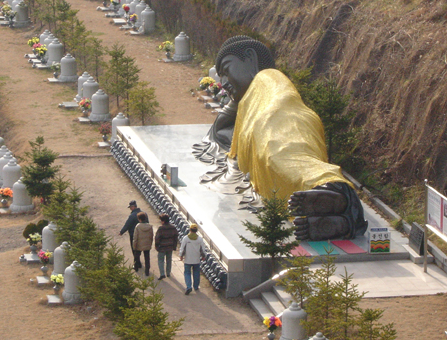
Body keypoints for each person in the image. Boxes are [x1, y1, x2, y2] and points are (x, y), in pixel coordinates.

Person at [199, 37, 367, 241]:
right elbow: (221, 132)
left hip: (282, 121)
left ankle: (334, 191)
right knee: (274, 170)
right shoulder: (247, 104)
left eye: (226, 70)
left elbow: (280, 104)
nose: (223, 83)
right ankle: (330, 216)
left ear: (251, 59)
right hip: (271, 128)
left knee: (282, 157)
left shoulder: (268, 78)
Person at [179, 223, 205, 295]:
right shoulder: (199, 239)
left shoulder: (186, 238)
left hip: (188, 259)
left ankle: (188, 286)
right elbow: (202, 249)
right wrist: (203, 256)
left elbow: (182, 248)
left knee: (187, 273)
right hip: (196, 259)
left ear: (190, 230)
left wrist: (181, 255)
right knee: (196, 273)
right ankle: (196, 286)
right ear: (196, 230)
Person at [154, 214, 179, 280]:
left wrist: (156, 246)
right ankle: (168, 273)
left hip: (162, 247)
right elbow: (176, 237)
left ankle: (162, 274)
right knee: (169, 260)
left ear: (163, 221)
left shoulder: (161, 228)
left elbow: (157, 238)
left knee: (160, 260)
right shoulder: (173, 227)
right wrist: (174, 246)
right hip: (170, 246)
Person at [119, 200, 144, 266]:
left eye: (130, 207)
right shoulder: (144, 213)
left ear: (133, 207)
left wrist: (121, 232)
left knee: (134, 248)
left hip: (133, 234)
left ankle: (136, 263)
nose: (130, 208)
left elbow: (127, 225)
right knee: (140, 248)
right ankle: (139, 262)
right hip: (142, 234)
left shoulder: (132, 215)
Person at [133, 212, 153, 276]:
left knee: (137, 256)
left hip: (139, 244)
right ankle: (147, 271)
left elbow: (135, 237)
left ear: (139, 219)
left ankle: (136, 267)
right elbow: (151, 236)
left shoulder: (138, 226)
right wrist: (150, 243)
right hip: (147, 244)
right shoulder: (149, 226)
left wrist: (134, 245)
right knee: (147, 258)